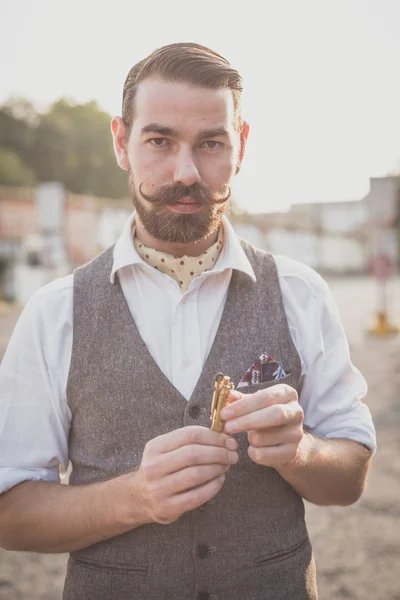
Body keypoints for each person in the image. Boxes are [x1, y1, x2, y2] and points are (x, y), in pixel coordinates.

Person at [0, 42, 376, 600]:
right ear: (120, 142)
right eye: (159, 140)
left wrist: (301, 453)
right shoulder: (55, 313)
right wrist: (135, 497)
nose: (186, 172)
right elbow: (9, 514)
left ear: (241, 145)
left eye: (211, 143)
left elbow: (350, 477)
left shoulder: (301, 293)